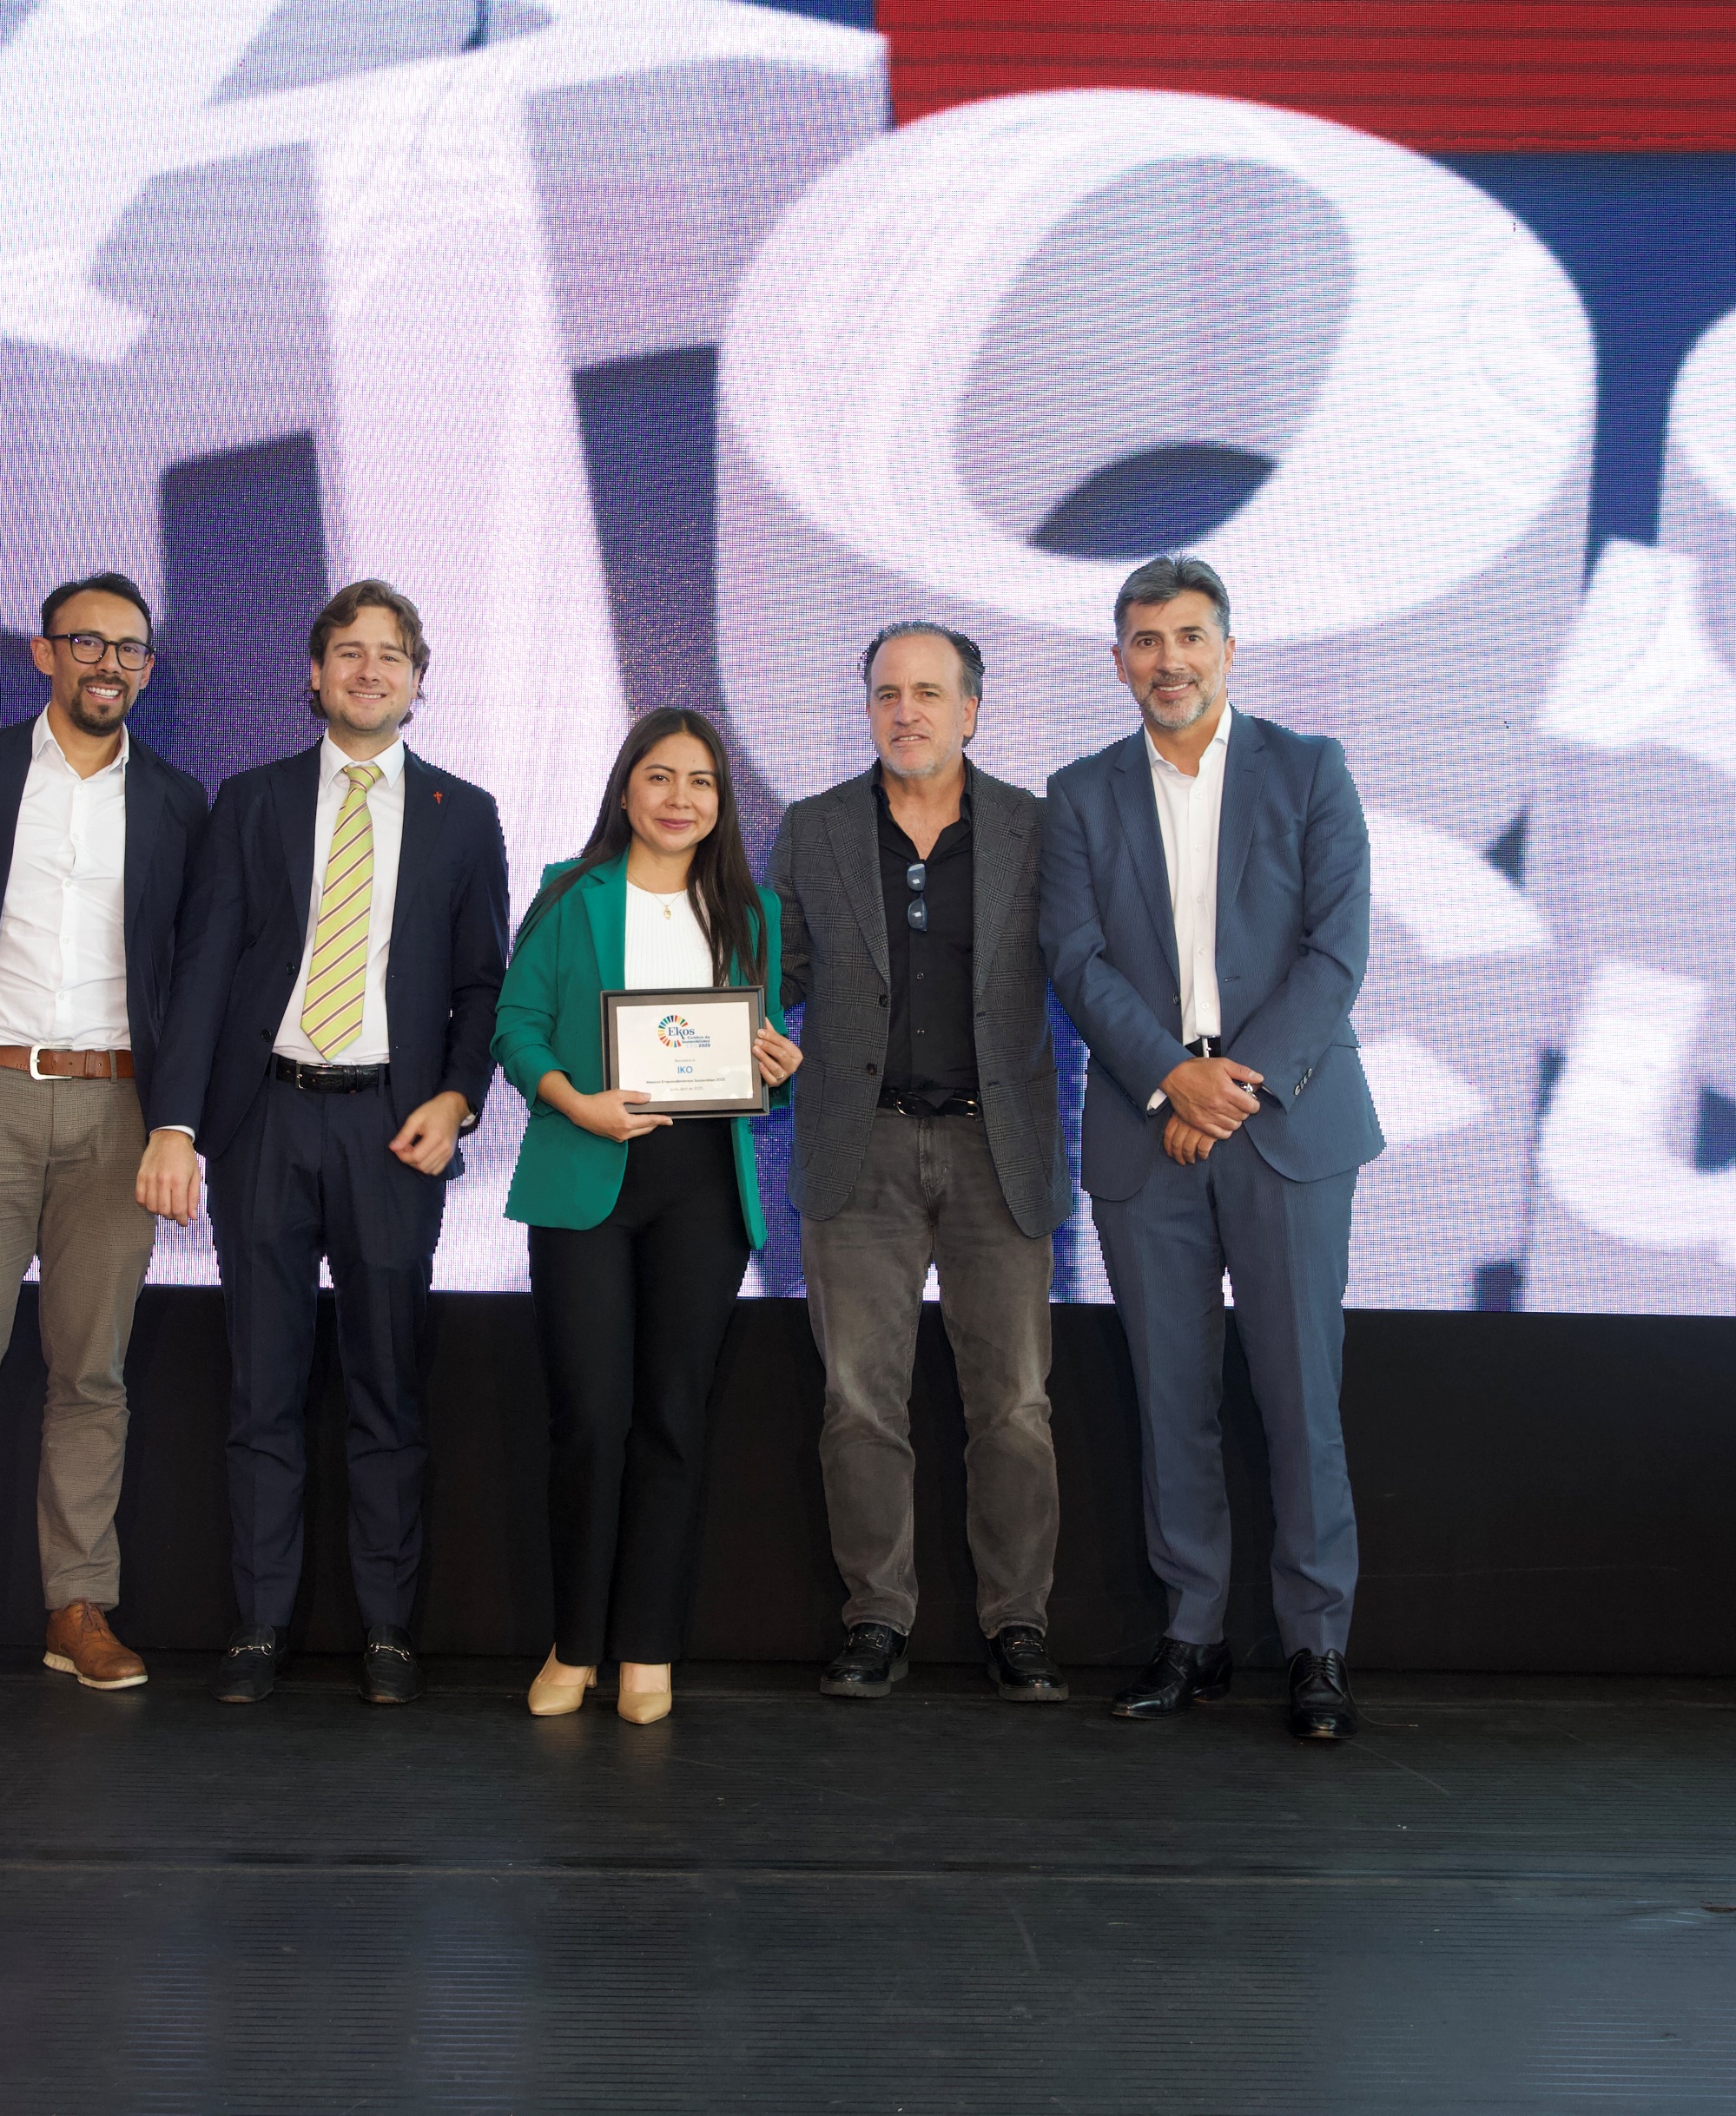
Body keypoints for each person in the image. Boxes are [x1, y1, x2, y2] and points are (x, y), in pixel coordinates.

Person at [139, 579, 508, 1706]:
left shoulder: (463, 813)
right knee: (263, 1385)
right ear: (315, 673)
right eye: (349, 651)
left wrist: (458, 1098)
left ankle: (389, 1630)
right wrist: (176, 1121)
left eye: (391, 654)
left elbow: (481, 983)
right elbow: (203, 971)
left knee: (388, 1385)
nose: (369, 669)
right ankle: (260, 1625)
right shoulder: (250, 802)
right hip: (265, 1121)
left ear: (418, 679)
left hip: (392, 1127)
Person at [1040, 554, 1386, 1742]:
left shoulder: (1309, 771)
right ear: (1119, 660)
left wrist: (1228, 1087)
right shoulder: (1079, 794)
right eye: (1146, 640)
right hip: (1150, 1132)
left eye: (1190, 637)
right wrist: (1170, 1076)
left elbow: (1336, 952)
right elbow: (1076, 959)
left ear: (1228, 651)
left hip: (1286, 1123)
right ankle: (1192, 1635)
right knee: (1170, 1399)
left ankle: (1317, 1646)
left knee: (1301, 1399)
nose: (1169, 660)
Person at [0, 571, 208, 1698]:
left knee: (91, 1374)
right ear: (43, 653)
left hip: (119, 1111)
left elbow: (192, 976)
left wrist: (173, 1118)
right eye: (87, 643)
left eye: (130, 649)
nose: (109, 665)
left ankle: (79, 1607)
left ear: (147, 669)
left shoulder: (178, 803)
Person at [769, 622, 1074, 1703]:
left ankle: (1018, 1623)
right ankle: (877, 1619)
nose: (907, 712)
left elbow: (1090, 968)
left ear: (971, 712)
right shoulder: (812, 829)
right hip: (861, 1149)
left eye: (929, 693)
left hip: (1000, 1148)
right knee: (860, 1404)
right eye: (888, 693)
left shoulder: (1036, 829)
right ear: (868, 709)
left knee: (1016, 1407)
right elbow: (773, 971)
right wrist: (731, 1035)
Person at [495, 709, 802, 1724]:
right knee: (591, 1416)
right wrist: (572, 1100)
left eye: (701, 782)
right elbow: (516, 1026)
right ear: (626, 788)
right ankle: (574, 1644)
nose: (680, 798)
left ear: (721, 802)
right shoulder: (568, 892)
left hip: (701, 1186)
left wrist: (779, 1066)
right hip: (588, 1169)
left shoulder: (751, 912)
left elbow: (758, 1052)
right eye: (660, 776)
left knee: (674, 1417)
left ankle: (647, 1648)